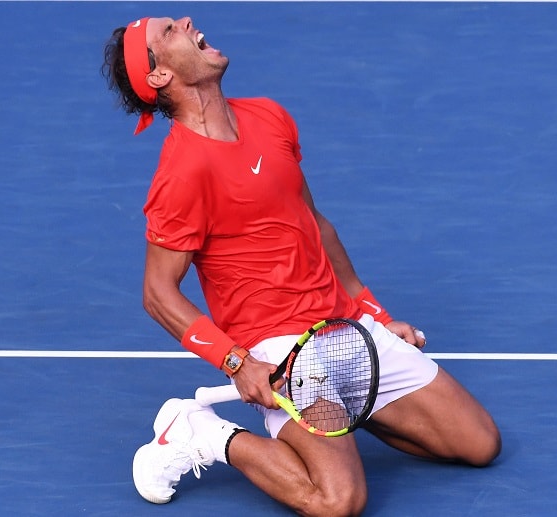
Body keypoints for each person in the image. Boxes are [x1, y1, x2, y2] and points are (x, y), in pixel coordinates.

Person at [102, 16, 501, 516]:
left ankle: (344, 403)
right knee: (339, 501)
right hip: (278, 350)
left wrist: (373, 314)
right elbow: (158, 294)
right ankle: (201, 434)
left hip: (343, 325)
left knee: (479, 443)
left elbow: (314, 222)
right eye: (168, 31)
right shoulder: (182, 172)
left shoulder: (270, 117)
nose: (186, 21)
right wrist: (239, 362)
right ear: (159, 76)